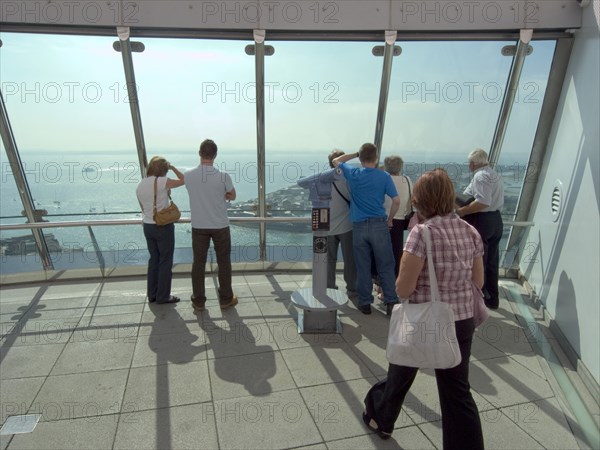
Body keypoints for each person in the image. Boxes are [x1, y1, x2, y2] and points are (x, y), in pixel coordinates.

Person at [363, 168, 485, 449]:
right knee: (457, 391)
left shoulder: (421, 233)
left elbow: (403, 289)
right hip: (461, 320)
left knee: (400, 375)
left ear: (422, 200)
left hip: (422, 320)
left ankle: (382, 420)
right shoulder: (471, 232)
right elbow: (478, 281)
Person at [332, 143, 400, 315]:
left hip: (359, 227)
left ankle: (365, 303)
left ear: (361, 159)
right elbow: (396, 200)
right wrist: (390, 219)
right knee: (385, 265)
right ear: (376, 158)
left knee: (363, 266)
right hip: (379, 225)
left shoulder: (353, 173)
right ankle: (391, 302)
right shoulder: (384, 176)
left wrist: (356, 153)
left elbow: (336, 160)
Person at [185, 139, 237, 311]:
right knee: (224, 262)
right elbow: (233, 195)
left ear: (199, 153)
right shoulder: (223, 176)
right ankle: (226, 299)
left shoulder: (189, 175)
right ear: (215, 155)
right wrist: (223, 194)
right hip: (220, 225)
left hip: (199, 225)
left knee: (198, 263)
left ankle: (199, 301)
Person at [457, 148, 504, 310]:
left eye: (470, 163)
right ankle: (493, 299)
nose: (469, 166)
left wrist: (461, 211)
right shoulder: (494, 174)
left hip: (482, 221)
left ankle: (480, 299)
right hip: (496, 220)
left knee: (478, 262)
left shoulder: (480, 176)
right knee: (491, 261)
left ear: (474, 163)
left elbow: (483, 201)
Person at [136, 156, 185, 304]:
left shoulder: (140, 184)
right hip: (163, 226)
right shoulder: (162, 181)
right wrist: (173, 168)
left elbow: (143, 208)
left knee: (154, 260)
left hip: (148, 226)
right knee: (165, 261)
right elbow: (184, 180)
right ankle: (163, 296)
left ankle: (152, 294)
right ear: (163, 169)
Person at [326, 150, 357, 300]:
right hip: (347, 225)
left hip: (328, 226)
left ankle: (329, 286)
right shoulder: (348, 178)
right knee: (349, 259)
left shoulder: (323, 178)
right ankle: (351, 288)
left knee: (329, 259)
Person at [383, 155, 413, 278]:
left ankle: (382, 283)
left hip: (383, 220)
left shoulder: (383, 179)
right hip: (400, 220)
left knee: (382, 253)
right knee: (396, 253)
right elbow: (411, 200)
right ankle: (394, 281)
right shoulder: (407, 180)